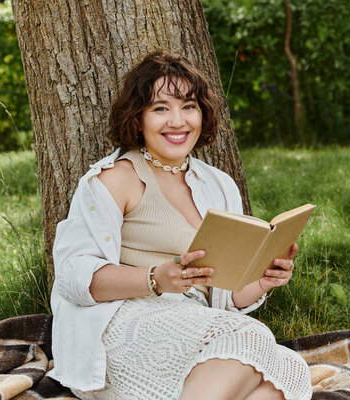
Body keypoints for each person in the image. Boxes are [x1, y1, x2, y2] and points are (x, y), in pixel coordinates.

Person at [49, 50, 312, 400]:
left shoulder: (218, 185)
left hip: (194, 325)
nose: (177, 121)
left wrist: (260, 282)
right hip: (124, 323)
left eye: (188, 106)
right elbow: (72, 277)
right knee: (252, 338)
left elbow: (226, 296)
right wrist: (154, 278)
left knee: (290, 370)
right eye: (160, 108)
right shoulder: (115, 179)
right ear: (138, 117)